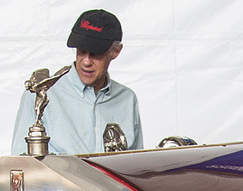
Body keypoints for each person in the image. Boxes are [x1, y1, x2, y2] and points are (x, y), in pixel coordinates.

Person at [10, 9, 143, 155]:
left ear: (116, 51)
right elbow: (20, 162)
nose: (86, 61)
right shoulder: (40, 93)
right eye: (81, 50)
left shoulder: (127, 99)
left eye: (96, 53)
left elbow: (135, 167)